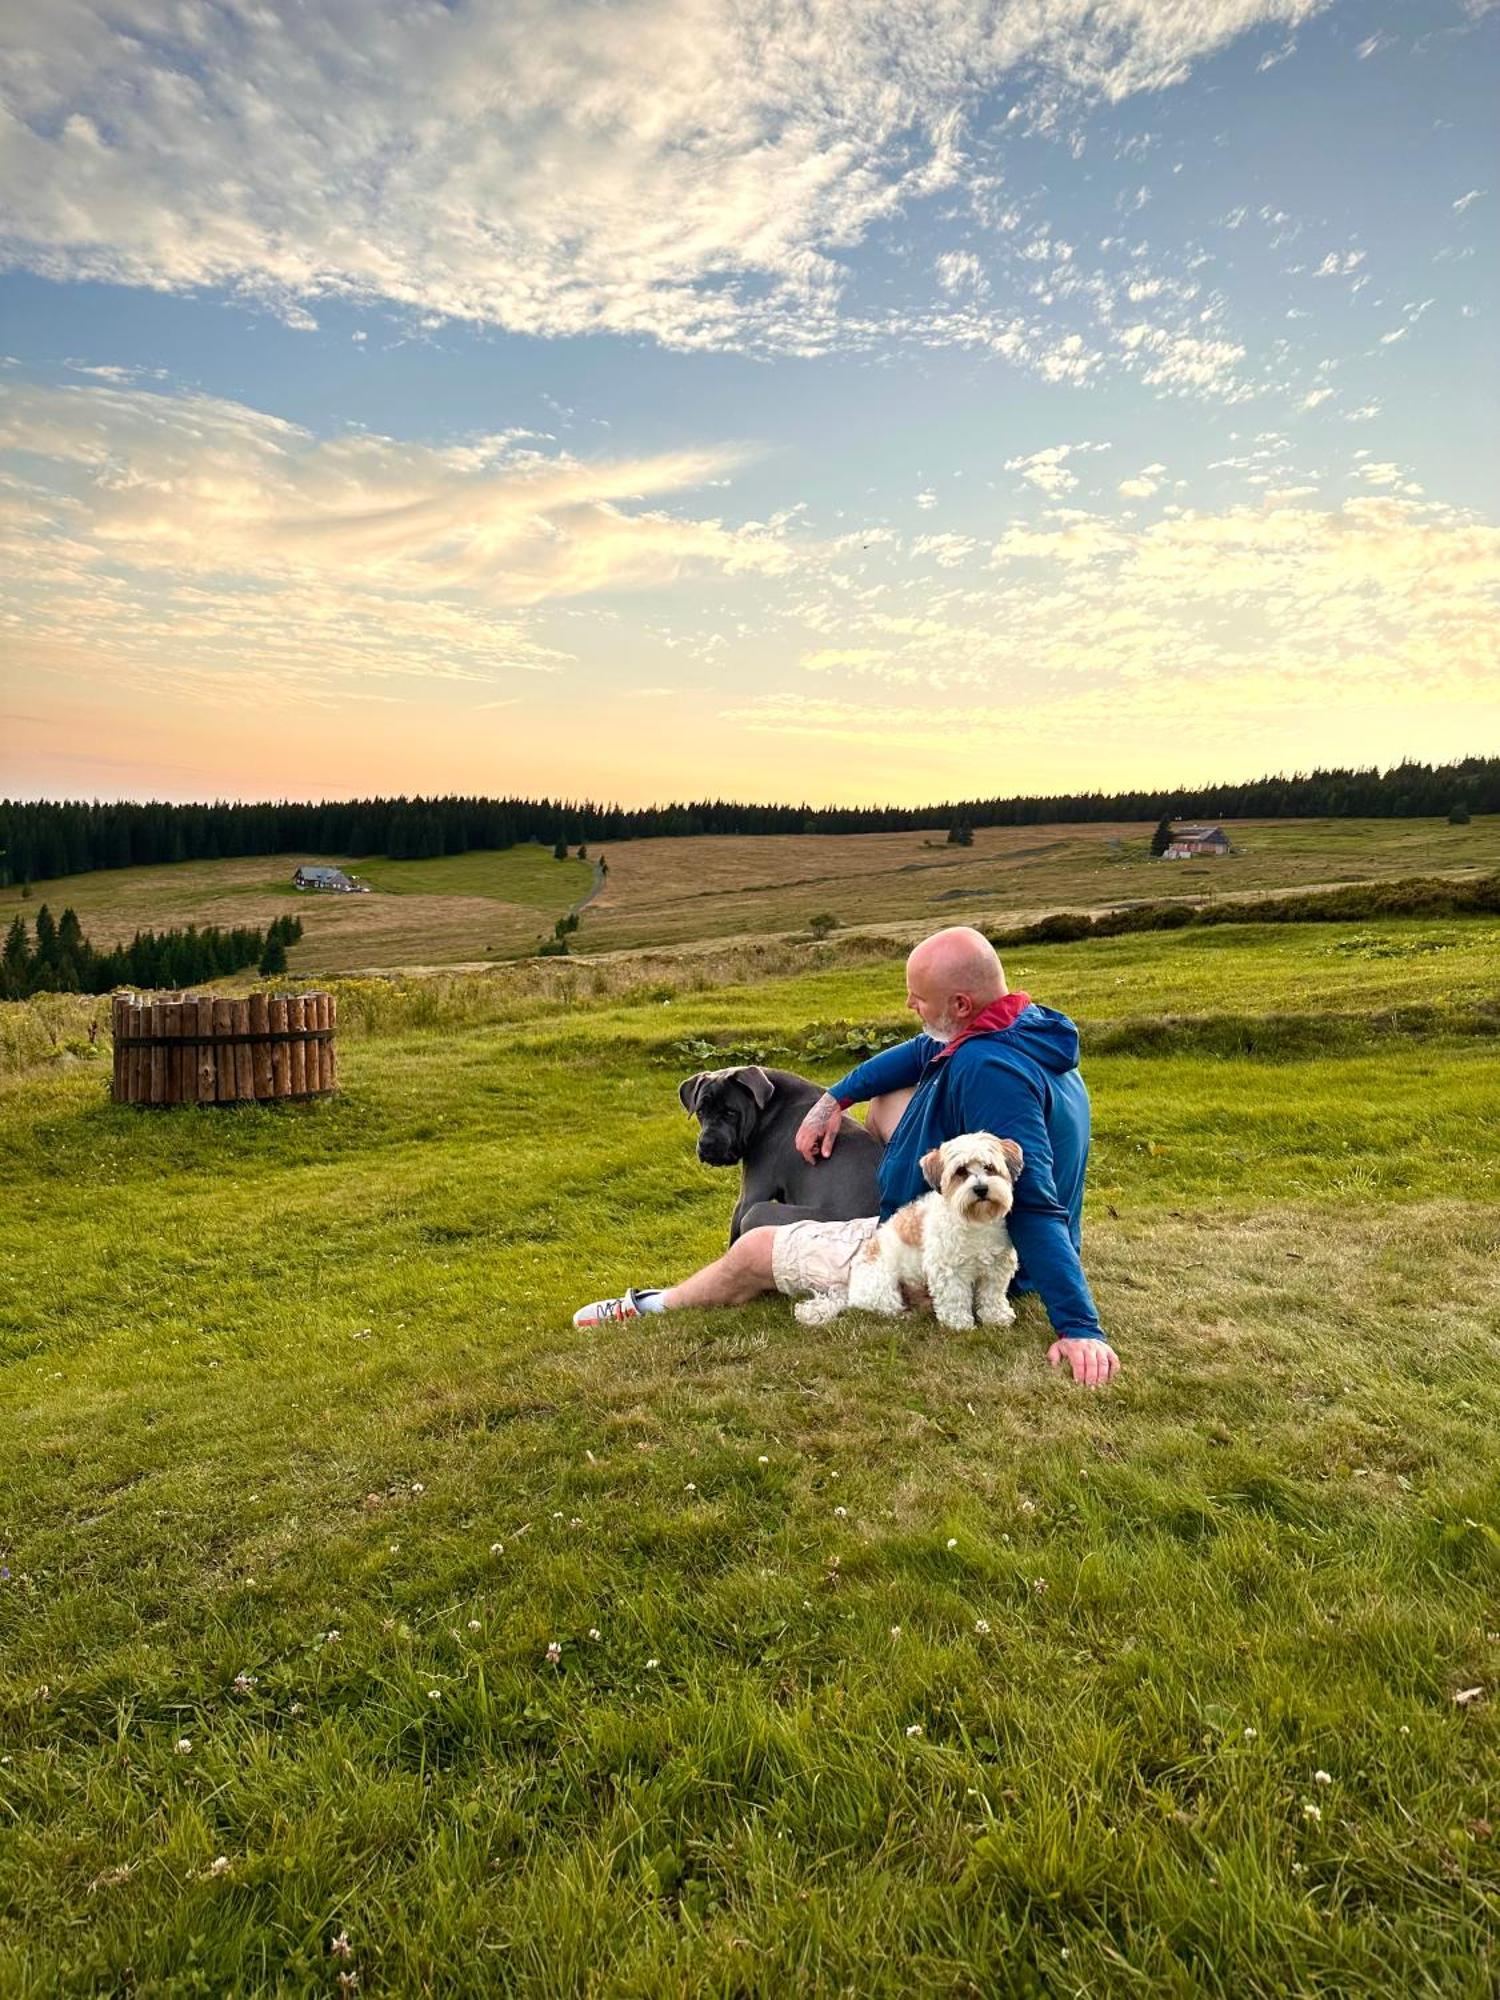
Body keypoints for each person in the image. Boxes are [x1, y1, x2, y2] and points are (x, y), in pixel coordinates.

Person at [573, 926, 1120, 1387]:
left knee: (756, 1244)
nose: (909, 1004)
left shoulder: (990, 1071)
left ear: (958, 1004)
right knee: (889, 1096)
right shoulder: (1019, 1026)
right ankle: (864, 1198)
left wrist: (1079, 1326)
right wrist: (832, 1101)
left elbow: (1036, 1202)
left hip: (956, 1255)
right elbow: (917, 1052)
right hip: (953, 1220)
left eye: (918, 996)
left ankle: (646, 1306)